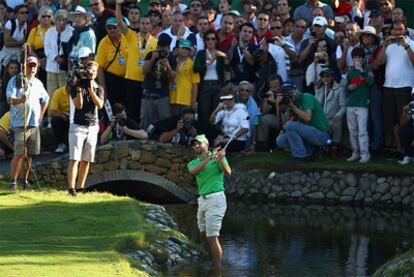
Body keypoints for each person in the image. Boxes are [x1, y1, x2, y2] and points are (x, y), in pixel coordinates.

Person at [187, 134, 231, 272]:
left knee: (212, 236)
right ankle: (214, 254)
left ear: (206, 144)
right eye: (194, 144)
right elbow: (194, 171)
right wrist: (209, 158)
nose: (196, 146)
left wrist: (222, 158)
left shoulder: (217, 158)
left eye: (199, 143)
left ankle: (218, 270)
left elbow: (228, 172)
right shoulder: (193, 163)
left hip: (216, 199)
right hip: (202, 201)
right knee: (203, 235)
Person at [7, 56, 49, 189]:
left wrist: (41, 115)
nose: (32, 68)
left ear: (37, 68)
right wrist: (20, 100)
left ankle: (23, 181)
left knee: (30, 154)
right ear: (24, 66)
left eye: (34, 66)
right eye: (29, 65)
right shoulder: (16, 80)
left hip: (34, 123)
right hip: (20, 123)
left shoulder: (38, 83)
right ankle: (12, 182)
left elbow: (46, 99)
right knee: (19, 153)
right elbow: (10, 99)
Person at [116, 0, 158, 124]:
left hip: (147, 81)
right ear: (139, 25)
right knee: (132, 111)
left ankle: (144, 136)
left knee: (145, 112)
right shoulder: (131, 36)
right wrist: (118, 5)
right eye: (142, 23)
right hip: (132, 79)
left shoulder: (156, 42)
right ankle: (131, 136)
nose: (145, 25)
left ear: (151, 26)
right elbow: (119, 21)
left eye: (147, 23)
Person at [67, 60, 104, 196]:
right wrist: (80, 88)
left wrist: (90, 90)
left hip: (92, 126)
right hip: (77, 125)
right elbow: (79, 105)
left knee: (86, 159)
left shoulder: (98, 88)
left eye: (94, 71)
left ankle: (81, 187)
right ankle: (71, 188)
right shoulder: (75, 86)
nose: (92, 73)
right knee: (75, 158)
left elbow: (100, 105)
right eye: (90, 71)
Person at [377, 20, 414, 152]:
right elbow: (379, 62)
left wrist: (406, 46)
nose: (397, 32)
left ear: (405, 30)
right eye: (395, 30)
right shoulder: (388, 45)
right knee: (390, 120)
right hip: (388, 87)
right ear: (391, 31)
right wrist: (385, 47)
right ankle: (399, 151)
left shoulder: (411, 43)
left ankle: (407, 150)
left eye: (400, 29)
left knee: (404, 120)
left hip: (405, 86)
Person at [276, 81, 331, 161]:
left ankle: (300, 156)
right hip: (308, 135)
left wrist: (293, 106)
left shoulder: (306, 97)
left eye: (291, 92)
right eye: (286, 93)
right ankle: (311, 150)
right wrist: (278, 105)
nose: (290, 95)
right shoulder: (292, 103)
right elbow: (284, 124)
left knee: (290, 125)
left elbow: (307, 118)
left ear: (296, 90)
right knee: (280, 140)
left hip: (322, 134)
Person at [194, 29, 230, 142]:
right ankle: (204, 140)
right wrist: (208, 63)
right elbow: (196, 69)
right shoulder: (201, 53)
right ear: (205, 41)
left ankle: (215, 139)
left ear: (216, 41)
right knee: (204, 113)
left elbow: (228, 68)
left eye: (213, 39)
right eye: (208, 39)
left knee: (216, 113)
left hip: (217, 86)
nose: (210, 41)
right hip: (204, 85)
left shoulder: (220, 53)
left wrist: (224, 57)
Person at [140, 33, 176, 129]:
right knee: (146, 124)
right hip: (148, 96)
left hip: (162, 97)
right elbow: (144, 71)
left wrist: (168, 66)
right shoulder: (150, 55)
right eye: (160, 46)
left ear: (168, 47)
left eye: (164, 47)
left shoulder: (171, 58)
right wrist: (152, 60)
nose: (161, 49)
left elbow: (172, 78)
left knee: (165, 123)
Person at [346, 47, 374, 163]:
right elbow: (346, 87)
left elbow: (371, 82)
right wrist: (348, 87)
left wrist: (362, 71)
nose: (356, 60)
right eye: (354, 57)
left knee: (362, 131)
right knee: (352, 131)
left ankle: (365, 154)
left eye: (359, 58)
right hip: (351, 104)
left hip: (362, 104)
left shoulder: (367, 68)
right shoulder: (350, 72)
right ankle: (355, 152)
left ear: (363, 59)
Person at [314, 67, 346, 159]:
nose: (325, 78)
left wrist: (338, 115)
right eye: (323, 76)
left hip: (333, 118)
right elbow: (316, 105)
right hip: (321, 119)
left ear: (332, 77)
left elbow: (343, 107)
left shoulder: (339, 89)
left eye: (328, 76)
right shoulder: (319, 90)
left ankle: (334, 147)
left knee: (337, 121)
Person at [95, 17, 128, 105]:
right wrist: (103, 90)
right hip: (112, 80)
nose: (112, 30)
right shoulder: (103, 43)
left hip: (127, 80)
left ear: (119, 28)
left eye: (114, 27)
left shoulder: (126, 39)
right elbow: (100, 67)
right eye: (109, 28)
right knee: (113, 108)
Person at [209, 87, 250, 153]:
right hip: (226, 137)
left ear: (233, 99)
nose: (226, 101)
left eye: (229, 99)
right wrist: (216, 110)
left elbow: (245, 127)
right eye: (224, 99)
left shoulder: (240, 109)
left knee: (218, 147)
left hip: (238, 140)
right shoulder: (224, 110)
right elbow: (211, 122)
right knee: (213, 138)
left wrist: (229, 139)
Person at [44, 9, 74, 98]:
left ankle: (64, 112)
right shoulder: (50, 31)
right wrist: (56, 57)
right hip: (51, 67)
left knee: (64, 93)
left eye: (64, 20)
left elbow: (72, 48)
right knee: (52, 94)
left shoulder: (71, 31)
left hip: (65, 68)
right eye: (59, 20)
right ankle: (51, 112)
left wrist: (63, 59)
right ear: (55, 21)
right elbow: (47, 48)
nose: (61, 22)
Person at [169, 39, 200, 116]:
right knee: (173, 122)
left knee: (185, 123)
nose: (184, 51)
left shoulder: (192, 64)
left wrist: (193, 101)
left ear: (189, 51)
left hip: (186, 100)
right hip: (173, 98)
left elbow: (195, 84)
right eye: (182, 48)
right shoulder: (173, 62)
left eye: (187, 49)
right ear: (178, 49)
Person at [256, 75, 286, 151]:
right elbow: (263, 113)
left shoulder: (286, 93)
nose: (273, 89)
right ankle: (262, 146)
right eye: (271, 87)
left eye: (275, 87)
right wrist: (266, 99)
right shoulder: (269, 93)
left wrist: (275, 103)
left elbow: (284, 111)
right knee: (263, 119)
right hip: (274, 118)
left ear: (281, 85)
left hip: (286, 118)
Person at [26, 6, 53, 86]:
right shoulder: (34, 30)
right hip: (38, 58)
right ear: (39, 17)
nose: (46, 18)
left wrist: (46, 59)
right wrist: (38, 60)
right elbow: (29, 47)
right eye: (43, 16)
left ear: (52, 18)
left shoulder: (55, 29)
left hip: (51, 58)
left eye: (48, 16)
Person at [50, 85, 70, 153]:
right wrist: (63, 115)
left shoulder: (78, 91)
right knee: (55, 121)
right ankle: (61, 144)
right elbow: (53, 111)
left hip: (76, 116)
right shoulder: (58, 92)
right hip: (63, 117)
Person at [397, 90, 414, 165]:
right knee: (402, 130)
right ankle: (408, 156)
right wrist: (404, 112)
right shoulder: (412, 105)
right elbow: (403, 124)